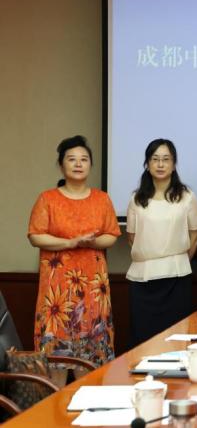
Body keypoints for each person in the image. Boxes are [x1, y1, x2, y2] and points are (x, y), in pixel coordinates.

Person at [27, 135, 121, 365]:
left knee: (91, 365)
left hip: (93, 288)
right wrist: (71, 242)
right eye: (72, 159)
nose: (78, 164)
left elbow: (111, 235)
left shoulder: (102, 199)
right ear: (61, 165)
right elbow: (35, 236)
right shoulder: (48, 199)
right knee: (55, 364)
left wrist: (90, 243)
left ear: (90, 165)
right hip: (57, 292)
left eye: (84, 159)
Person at [126, 139, 197, 347]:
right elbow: (131, 237)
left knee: (176, 338)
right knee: (144, 338)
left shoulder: (187, 197)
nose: (160, 164)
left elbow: (195, 235)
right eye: (155, 159)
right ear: (147, 164)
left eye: (166, 159)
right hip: (142, 279)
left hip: (176, 278)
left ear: (174, 164)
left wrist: (178, 259)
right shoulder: (136, 198)